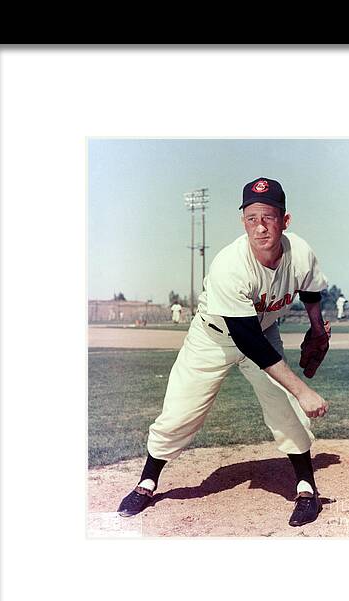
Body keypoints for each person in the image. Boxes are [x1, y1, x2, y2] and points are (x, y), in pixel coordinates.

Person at [117, 177, 331, 527]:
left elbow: (310, 290)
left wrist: (318, 329)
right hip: (212, 339)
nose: (260, 226)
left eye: (269, 217)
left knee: (285, 408)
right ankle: (147, 482)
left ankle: (306, 487)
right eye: (251, 218)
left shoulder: (301, 253)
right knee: (179, 411)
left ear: (285, 220)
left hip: (264, 332)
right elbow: (247, 341)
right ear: (243, 221)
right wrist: (303, 389)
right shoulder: (230, 265)